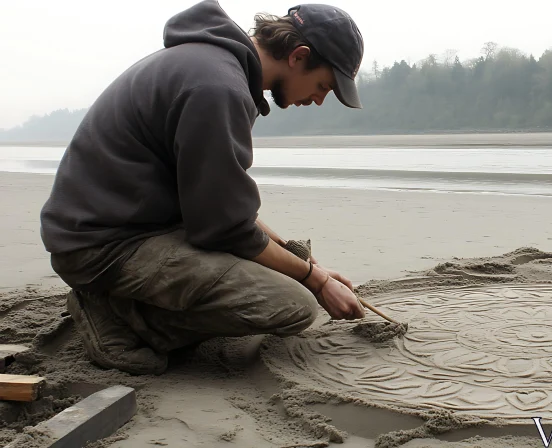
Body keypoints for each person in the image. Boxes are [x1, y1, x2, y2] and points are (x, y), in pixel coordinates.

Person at [38, 0, 367, 376]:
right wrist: (315, 281)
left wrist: (308, 266)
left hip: (136, 223)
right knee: (293, 305)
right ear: (298, 56)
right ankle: (119, 317)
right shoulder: (217, 87)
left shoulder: (212, 64)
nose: (320, 99)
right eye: (323, 85)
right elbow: (223, 229)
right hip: (103, 246)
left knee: (290, 273)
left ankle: (125, 302)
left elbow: (223, 210)